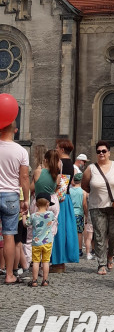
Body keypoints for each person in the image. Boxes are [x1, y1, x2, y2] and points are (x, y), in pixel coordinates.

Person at [82, 140, 114, 275]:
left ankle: (110, 255)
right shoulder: (91, 168)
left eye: (104, 151)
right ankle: (101, 263)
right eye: (98, 151)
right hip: (97, 206)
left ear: (109, 152)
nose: (101, 153)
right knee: (99, 236)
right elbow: (85, 185)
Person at [0, 107, 29, 285]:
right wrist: (25, 199)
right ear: (14, 130)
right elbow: (24, 177)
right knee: (9, 235)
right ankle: (9, 274)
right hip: (11, 195)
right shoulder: (21, 151)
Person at [50, 138, 79, 272]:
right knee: (66, 230)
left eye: (57, 148)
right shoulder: (72, 164)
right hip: (66, 198)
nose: (55, 149)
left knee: (57, 229)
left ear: (62, 149)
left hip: (58, 198)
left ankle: (57, 262)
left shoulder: (59, 163)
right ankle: (62, 261)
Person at [29, 192, 54, 287]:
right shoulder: (50, 214)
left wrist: (23, 216)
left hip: (36, 242)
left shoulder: (33, 216)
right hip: (47, 242)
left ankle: (34, 281)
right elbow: (54, 220)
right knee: (46, 261)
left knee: (36, 261)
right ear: (48, 204)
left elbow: (26, 224)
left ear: (36, 204)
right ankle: (45, 280)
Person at [69, 173, 85, 256]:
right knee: (79, 232)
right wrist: (86, 214)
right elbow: (84, 204)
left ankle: (71, 249)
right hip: (79, 213)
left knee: (71, 232)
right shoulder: (83, 192)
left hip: (71, 213)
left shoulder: (70, 191)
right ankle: (79, 249)